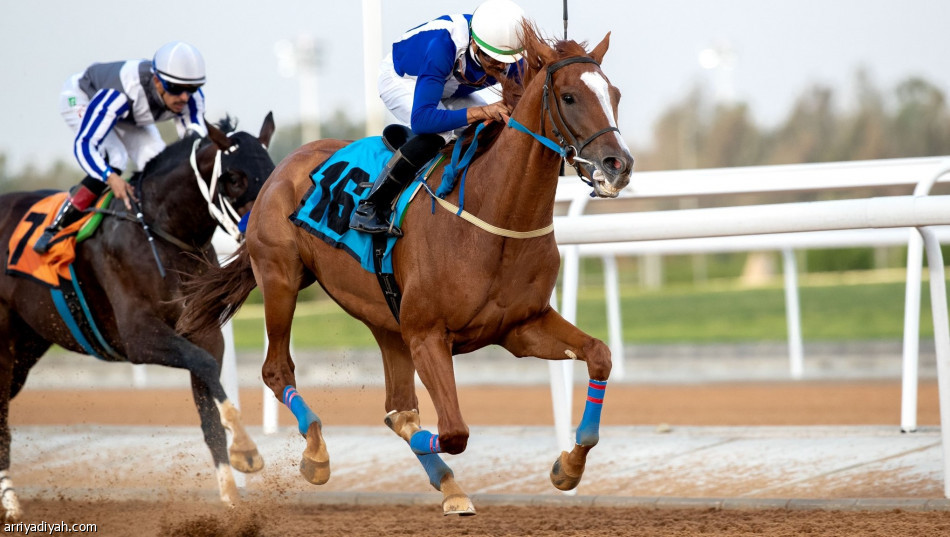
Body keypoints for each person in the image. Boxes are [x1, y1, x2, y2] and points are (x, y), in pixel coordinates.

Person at [350, 0, 526, 236]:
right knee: (441, 130)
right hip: (404, 78)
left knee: (493, 128)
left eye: (506, 61)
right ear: (475, 43)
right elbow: (422, 120)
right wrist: (483, 111)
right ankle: (371, 207)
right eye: (493, 60)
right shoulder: (443, 45)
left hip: (448, 86)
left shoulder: (510, 55)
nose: (500, 67)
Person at [34, 41, 208, 253]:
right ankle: (57, 227)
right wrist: (110, 177)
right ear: (157, 80)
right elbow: (84, 144)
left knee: (159, 161)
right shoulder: (120, 93)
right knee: (115, 158)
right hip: (84, 98)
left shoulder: (191, 98)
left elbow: (195, 145)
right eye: (176, 89)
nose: (184, 97)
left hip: (128, 113)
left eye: (191, 89)